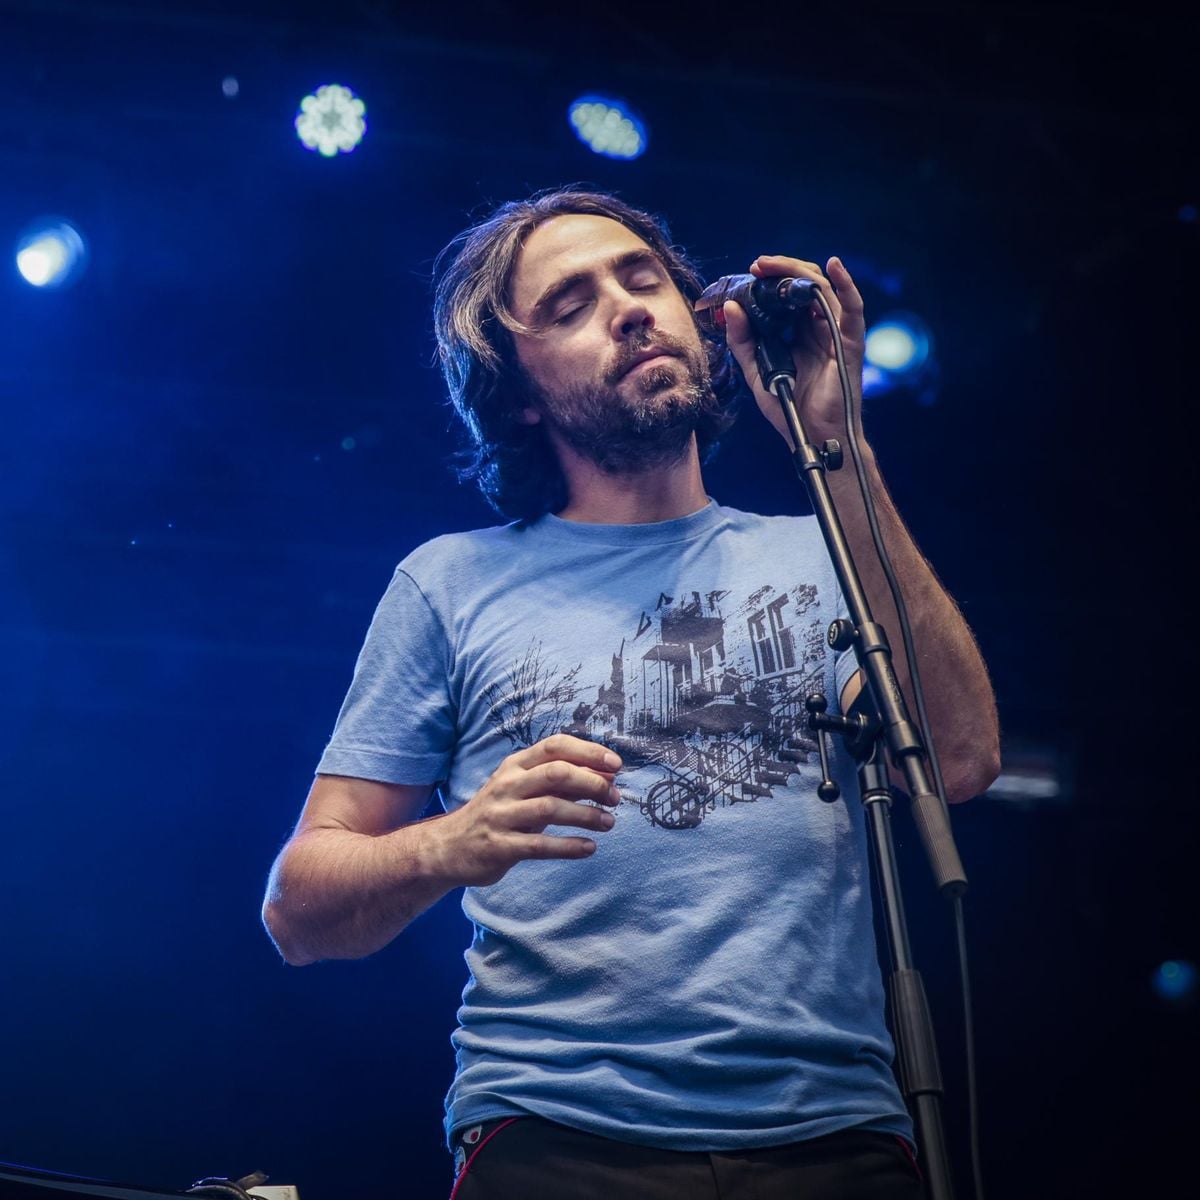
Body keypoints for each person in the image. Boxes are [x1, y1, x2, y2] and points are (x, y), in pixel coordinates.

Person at [262, 188, 1000, 1199]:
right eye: (570, 306)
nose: (627, 309)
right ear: (518, 392)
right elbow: (298, 912)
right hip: (558, 1135)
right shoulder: (451, 583)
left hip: (836, 1134)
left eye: (642, 278)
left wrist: (843, 447)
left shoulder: (826, 550)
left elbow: (960, 761)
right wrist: (452, 842)